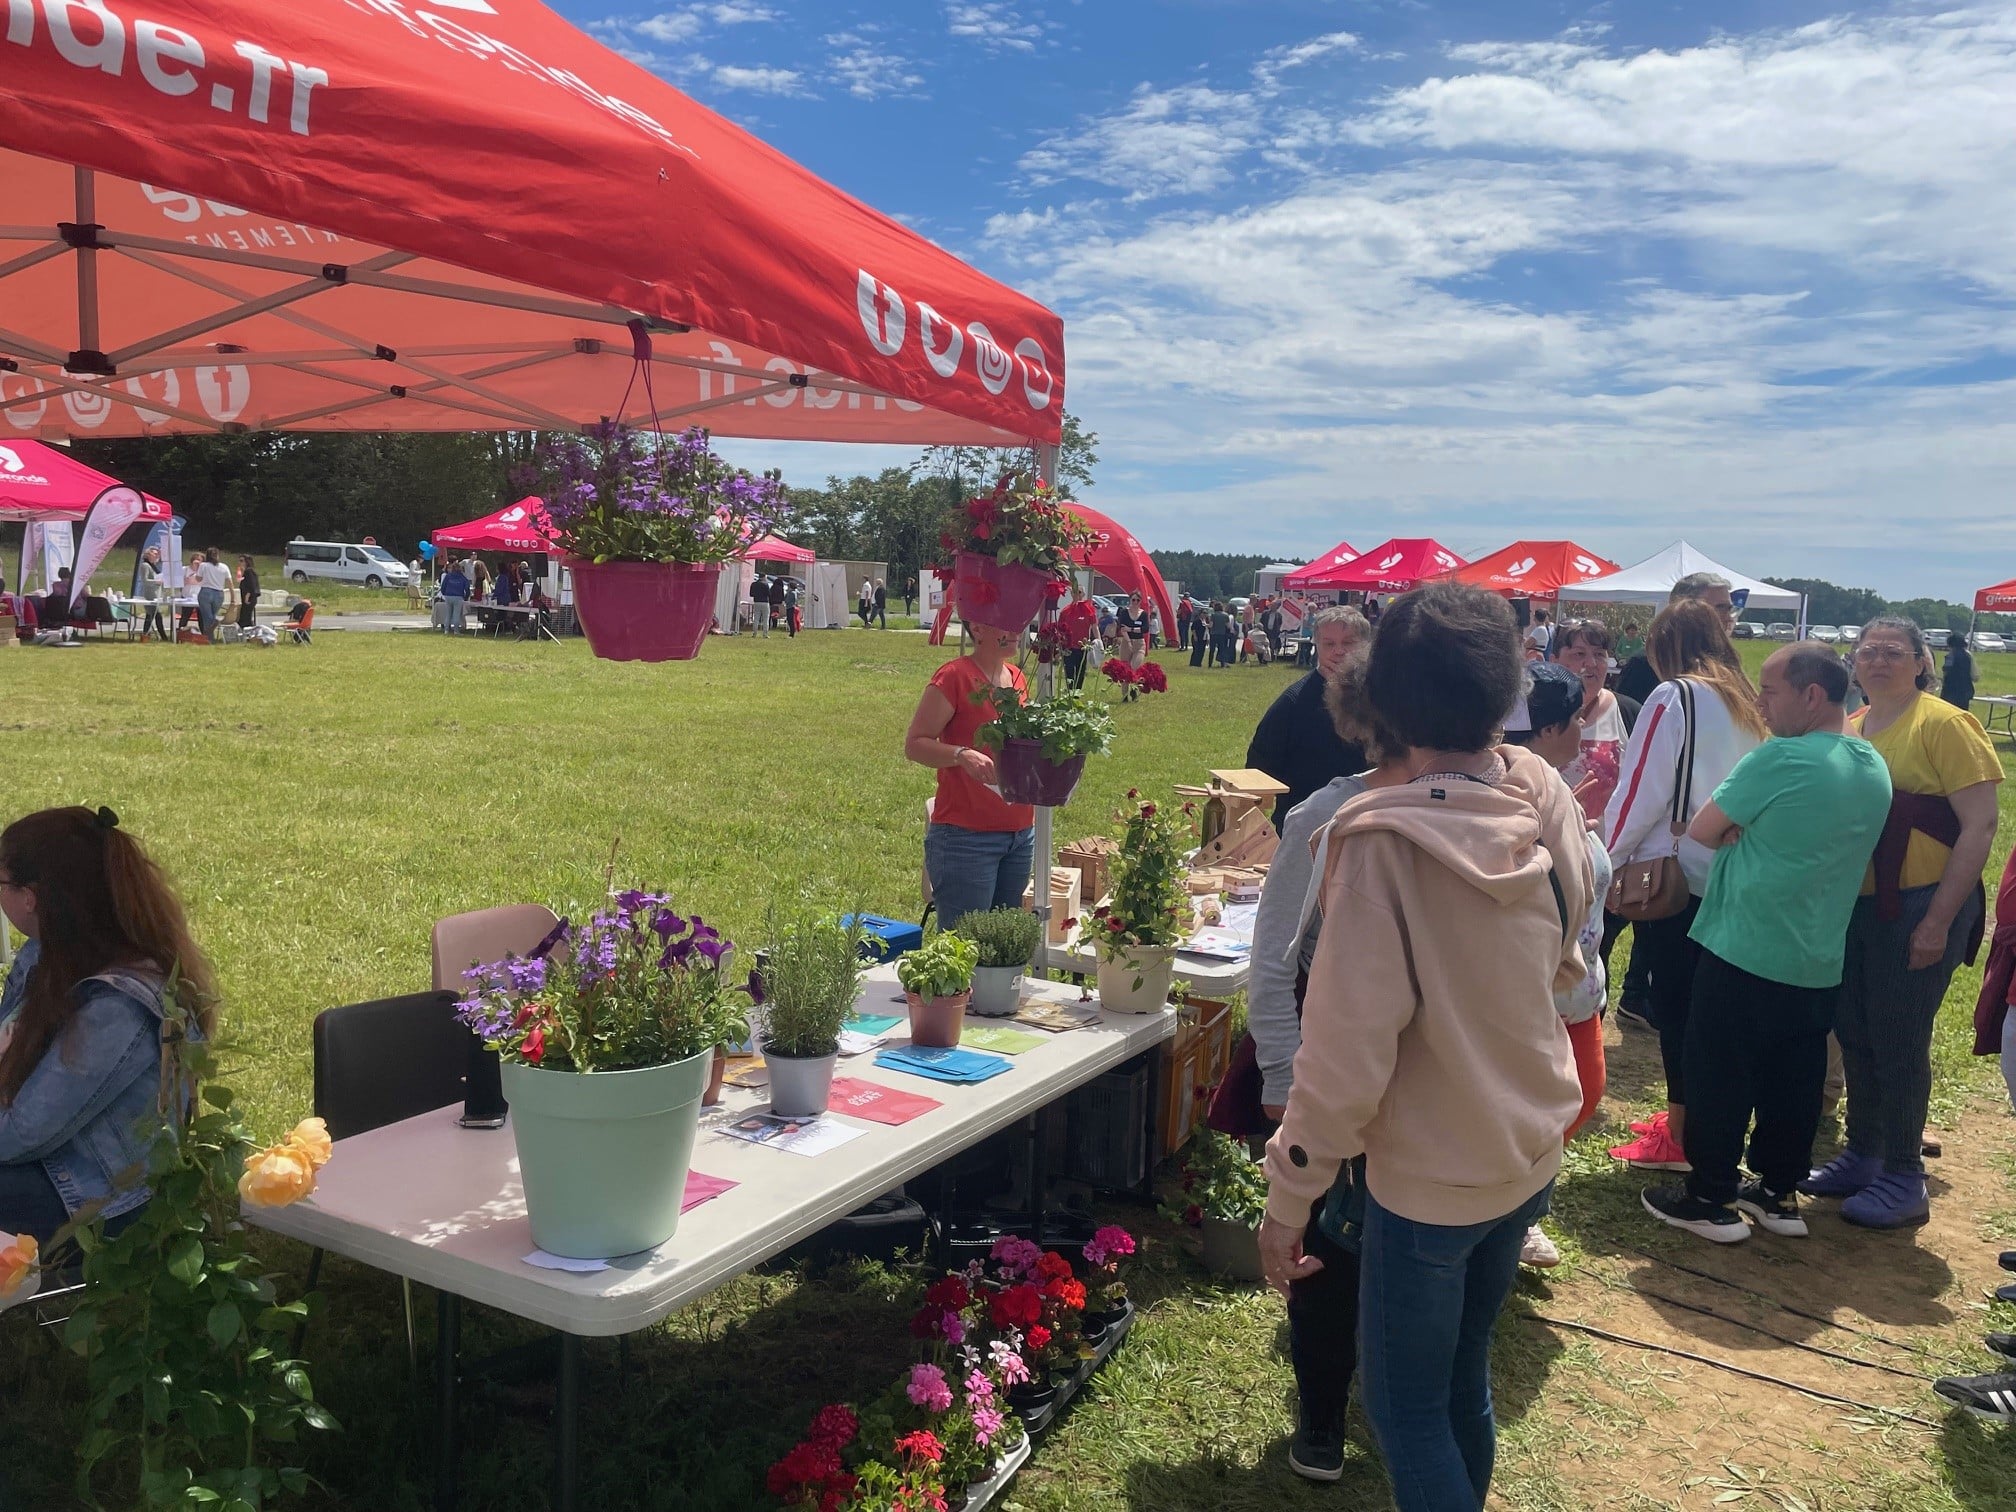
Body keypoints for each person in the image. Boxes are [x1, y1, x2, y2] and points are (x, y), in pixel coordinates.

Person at [1259, 583, 1592, 1512]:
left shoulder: (1373, 841)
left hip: (1428, 1179)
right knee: (1460, 1381)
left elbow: (1344, 1055)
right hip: (1528, 1142)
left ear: (1384, 699)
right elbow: (1571, 949)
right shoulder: (1542, 789)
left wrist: (1290, 1197)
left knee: (1407, 1411)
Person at [1218, 649, 1405, 1481]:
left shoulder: (1494, 808)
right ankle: (1324, 1414)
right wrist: (1285, 1081)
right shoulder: (1323, 818)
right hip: (1336, 1073)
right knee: (1329, 1245)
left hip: (1425, 1086)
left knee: (1402, 1247)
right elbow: (1272, 963)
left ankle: (1387, 1399)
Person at [1637, 644, 1891, 1244]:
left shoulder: (1782, 757)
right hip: (1817, 954)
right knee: (1794, 1079)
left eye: (1770, 691)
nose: (1759, 702)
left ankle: (1711, 1197)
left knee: (1718, 1072)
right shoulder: (1871, 764)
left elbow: (1700, 829)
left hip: (1743, 943)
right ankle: (1778, 1194)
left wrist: (1739, 826)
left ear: (1812, 695)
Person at [1803, 616, 2001, 1228]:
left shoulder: (1945, 723)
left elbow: (1981, 824)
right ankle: (1864, 1152)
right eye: (1868, 652)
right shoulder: (1852, 727)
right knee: (1855, 1030)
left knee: (1898, 1037)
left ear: (1920, 662)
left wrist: (1939, 919)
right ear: (1854, 664)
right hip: (1857, 907)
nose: (1879, 661)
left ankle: (1904, 1172)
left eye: (1894, 652)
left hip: (1919, 902)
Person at [0, 806, 218, 1243]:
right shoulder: (45, 954)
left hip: (101, 1199)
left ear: (31, 896)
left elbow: (23, 1134)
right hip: (49, 1160)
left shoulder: (116, 1005)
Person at [1605, 601, 1768, 1172]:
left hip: (1673, 875)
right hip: (1734, 869)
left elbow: (1640, 788)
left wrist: (1605, 858)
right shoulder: (1748, 699)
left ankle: (1680, 1134)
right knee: (1710, 1008)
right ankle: (1694, 1123)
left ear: (1663, 646)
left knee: (1676, 1007)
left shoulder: (1674, 695)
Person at [1503, 662, 1612, 1270]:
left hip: (1576, 987)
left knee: (1580, 1095)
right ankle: (1510, 1217)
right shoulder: (1505, 795)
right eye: (1575, 719)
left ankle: (1520, 1209)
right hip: (1531, 993)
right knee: (1533, 1108)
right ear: (1545, 728)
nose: (1583, 730)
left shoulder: (1552, 785)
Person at [903, 622, 1036, 932]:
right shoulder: (954, 677)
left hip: (1019, 835)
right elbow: (915, 745)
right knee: (965, 949)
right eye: (1005, 621)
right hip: (966, 839)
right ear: (977, 627)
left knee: (1004, 948)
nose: (1016, 629)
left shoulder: (1016, 678)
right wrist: (961, 755)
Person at [1246, 606, 1370, 827]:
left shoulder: (1381, 702)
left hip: (1366, 824)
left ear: (1366, 645)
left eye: (1348, 642)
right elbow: (1257, 771)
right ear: (1317, 645)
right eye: (1329, 644)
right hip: (1305, 829)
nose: (1339, 651)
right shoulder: (1293, 703)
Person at [1553, 619, 1640, 822]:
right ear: (1553, 660)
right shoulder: (1532, 714)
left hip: (1609, 849)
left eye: (1599, 654)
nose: (1591, 664)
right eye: (1579, 654)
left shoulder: (1629, 712)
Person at [1058, 583, 1098, 688]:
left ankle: (1077, 694)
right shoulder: (1065, 611)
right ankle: (1070, 694)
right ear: (1071, 594)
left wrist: (1099, 641)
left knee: (1080, 672)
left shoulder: (1089, 610)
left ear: (1083, 594)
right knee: (1069, 672)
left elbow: (1094, 626)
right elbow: (1060, 630)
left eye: (1079, 592)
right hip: (1069, 647)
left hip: (1083, 647)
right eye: (1074, 592)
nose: (1076, 594)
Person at [194, 549, 231, 641]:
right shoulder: (224, 567)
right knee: (211, 615)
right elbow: (229, 582)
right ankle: (210, 638)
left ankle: (212, 629)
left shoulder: (204, 565)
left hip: (206, 591)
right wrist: (233, 596)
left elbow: (198, 579)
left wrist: (197, 571)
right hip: (219, 593)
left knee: (207, 616)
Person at [137, 547, 167, 642]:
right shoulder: (145, 565)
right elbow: (145, 580)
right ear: (148, 555)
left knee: (150, 615)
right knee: (156, 615)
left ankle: (145, 634)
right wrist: (156, 581)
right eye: (154, 554)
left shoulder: (153, 565)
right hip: (150, 594)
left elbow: (163, 561)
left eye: (157, 554)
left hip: (156, 594)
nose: (156, 555)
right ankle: (163, 636)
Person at [1943, 635, 1977, 712]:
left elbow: (1947, 671)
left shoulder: (1950, 656)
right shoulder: (1968, 656)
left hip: (1951, 692)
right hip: (1965, 691)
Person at [437, 557, 470, 634]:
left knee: (448, 613)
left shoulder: (448, 576)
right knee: (456, 614)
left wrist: (444, 593)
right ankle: (456, 630)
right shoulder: (462, 577)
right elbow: (467, 588)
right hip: (458, 596)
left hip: (448, 596)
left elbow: (443, 586)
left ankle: (446, 630)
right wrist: (466, 597)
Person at [235, 554, 261, 632]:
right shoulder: (246, 571)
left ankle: (249, 633)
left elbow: (252, 585)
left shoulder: (249, 571)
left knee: (245, 618)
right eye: (239, 561)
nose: (240, 563)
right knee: (245, 617)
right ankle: (248, 633)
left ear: (247, 562)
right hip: (247, 597)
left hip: (249, 597)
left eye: (242, 561)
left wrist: (248, 595)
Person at [1188, 603, 1208, 668]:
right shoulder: (1197, 621)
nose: (1205, 615)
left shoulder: (1205, 621)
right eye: (1203, 613)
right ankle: (1193, 663)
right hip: (1197, 637)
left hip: (1203, 638)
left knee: (1202, 651)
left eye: (1205, 613)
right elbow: (1193, 629)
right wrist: (1195, 636)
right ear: (1200, 614)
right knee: (1196, 650)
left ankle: (1199, 663)